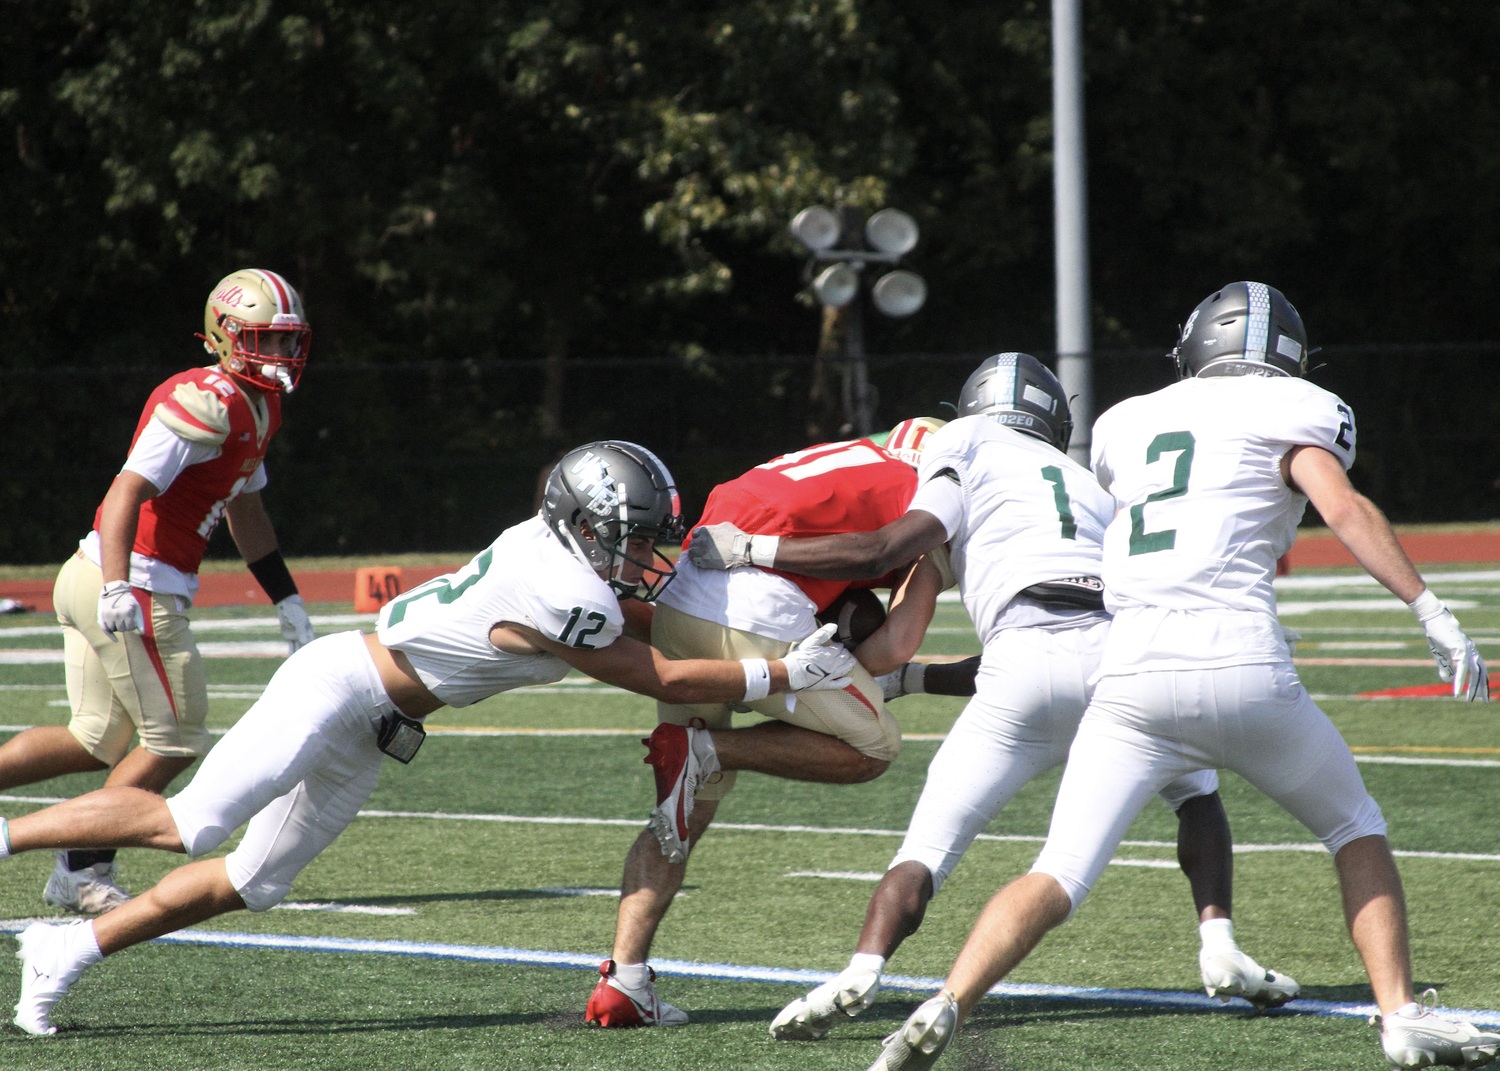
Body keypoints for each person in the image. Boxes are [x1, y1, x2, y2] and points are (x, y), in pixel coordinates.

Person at [821, 283, 1494, 1071]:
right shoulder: (1301, 408)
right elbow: (1341, 508)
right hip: (1243, 663)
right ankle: (1399, 1011)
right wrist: (1429, 608)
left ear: (1196, 345)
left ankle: (948, 1000)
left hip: (1131, 677)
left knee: (1059, 867)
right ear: (1287, 358)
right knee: (1355, 827)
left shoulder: (1123, 424)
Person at [0, 439, 857, 1037]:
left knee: (251, 882)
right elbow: (660, 677)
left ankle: (65, 948)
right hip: (338, 686)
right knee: (190, 824)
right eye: (630, 538)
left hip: (378, 722)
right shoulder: (565, 590)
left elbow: (646, 624)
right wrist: (782, 675)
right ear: (582, 525)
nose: (642, 554)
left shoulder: (552, 551)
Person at [688, 353, 1295, 1045]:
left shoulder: (963, 442)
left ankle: (861, 969)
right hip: (1125, 654)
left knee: (928, 847)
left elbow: (886, 554)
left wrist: (755, 549)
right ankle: (1218, 942)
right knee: (1197, 791)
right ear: (1053, 420)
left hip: (1022, 665)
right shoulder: (1091, 481)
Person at [585, 425, 949, 1029]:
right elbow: (893, 647)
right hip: (759, 617)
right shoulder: (932, 494)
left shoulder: (830, 458)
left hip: (680, 606)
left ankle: (623, 981)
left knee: (685, 810)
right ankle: (711, 748)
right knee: (875, 745)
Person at [0, 268, 317, 915]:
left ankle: (76, 859)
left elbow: (245, 513)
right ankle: (79, 865)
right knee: (175, 737)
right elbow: (126, 491)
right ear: (226, 335)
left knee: (96, 739)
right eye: (266, 339)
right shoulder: (203, 399)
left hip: (105, 576)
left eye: (288, 341)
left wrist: (285, 597)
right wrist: (119, 585)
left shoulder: (261, 405)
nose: (281, 355)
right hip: (130, 580)